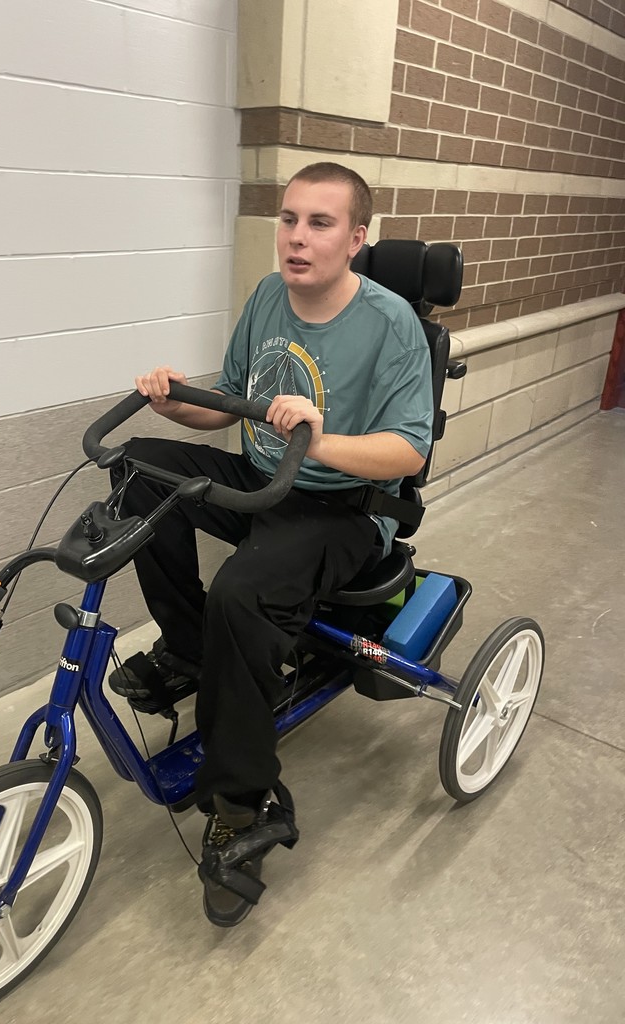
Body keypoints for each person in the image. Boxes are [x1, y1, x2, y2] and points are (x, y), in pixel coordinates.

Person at [110, 162, 433, 926]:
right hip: (263, 480)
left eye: (320, 223)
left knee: (242, 592)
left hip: (342, 507)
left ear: (357, 237)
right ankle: (191, 651)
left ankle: (243, 802)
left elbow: (407, 452)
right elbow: (227, 411)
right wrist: (171, 399)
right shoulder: (265, 297)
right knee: (137, 473)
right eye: (289, 219)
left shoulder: (391, 326)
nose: (296, 237)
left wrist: (320, 442)